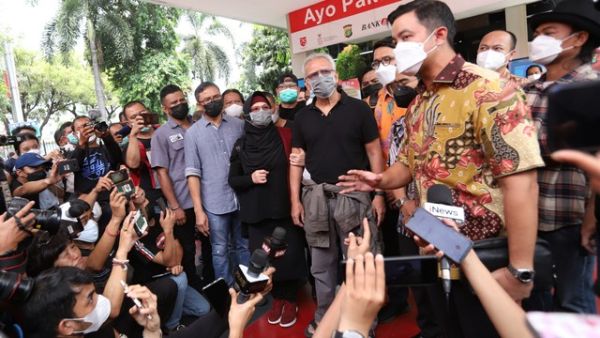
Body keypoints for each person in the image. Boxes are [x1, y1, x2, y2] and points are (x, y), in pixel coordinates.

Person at [337, 1, 544, 337]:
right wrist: (380, 179)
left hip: (487, 258)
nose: (397, 48)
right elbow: (410, 162)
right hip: (436, 250)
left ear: (439, 34)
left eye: (405, 36)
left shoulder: (488, 89)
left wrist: (519, 270)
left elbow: (521, 183)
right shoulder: (419, 101)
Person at [289, 52, 385, 337]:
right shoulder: (302, 117)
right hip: (316, 200)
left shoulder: (358, 110)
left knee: (360, 261)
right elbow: (297, 159)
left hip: (354, 197)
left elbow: (373, 152)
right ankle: (326, 319)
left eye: (324, 72)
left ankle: (362, 322)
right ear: (305, 83)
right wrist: (295, 200)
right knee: (321, 265)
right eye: (312, 76)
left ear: (336, 75)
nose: (319, 79)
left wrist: (379, 193)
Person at [523, 0, 600, 314]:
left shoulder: (590, 93)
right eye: (538, 32)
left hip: (570, 217)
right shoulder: (525, 91)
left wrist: (591, 221)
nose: (539, 39)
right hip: (526, 218)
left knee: (573, 302)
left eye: (549, 32)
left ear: (579, 39)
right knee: (534, 301)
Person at [229, 91, 307, 328]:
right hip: (256, 212)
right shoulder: (241, 144)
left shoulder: (286, 135)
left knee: (290, 256)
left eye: (265, 106)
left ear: (273, 109)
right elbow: (233, 180)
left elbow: (299, 166)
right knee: (265, 258)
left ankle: (291, 299)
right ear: (248, 114)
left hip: (284, 207)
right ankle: (277, 298)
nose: (260, 111)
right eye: (254, 108)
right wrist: (251, 178)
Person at [185, 81, 250, 286]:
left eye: (215, 97)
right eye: (207, 100)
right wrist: (198, 211)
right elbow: (193, 173)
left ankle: (249, 286)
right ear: (199, 104)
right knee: (219, 250)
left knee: (243, 246)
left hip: (242, 197)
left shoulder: (239, 125)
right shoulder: (193, 134)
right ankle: (227, 292)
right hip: (214, 203)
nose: (212, 102)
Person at [151, 84, 213, 290]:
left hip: (208, 196)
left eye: (181, 100)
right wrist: (175, 206)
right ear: (165, 109)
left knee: (211, 245)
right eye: (173, 103)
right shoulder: (161, 135)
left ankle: (212, 282)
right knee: (187, 249)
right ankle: (196, 289)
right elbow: (162, 172)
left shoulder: (199, 124)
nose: (179, 105)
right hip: (183, 202)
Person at [69, 114, 123, 230]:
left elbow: (118, 157)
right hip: (89, 202)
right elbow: (73, 165)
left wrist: (106, 136)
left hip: (111, 199)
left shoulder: (106, 148)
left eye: (89, 126)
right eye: (81, 128)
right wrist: (82, 144)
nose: (87, 130)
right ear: (74, 134)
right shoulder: (74, 153)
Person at [122, 100, 164, 215]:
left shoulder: (164, 132)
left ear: (148, 112)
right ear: (128, 123)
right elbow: (133, 164)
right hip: (150, 195)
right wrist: (133, 135)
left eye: (142, 112)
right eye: (134, 117)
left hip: (177, 188)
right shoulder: (129, 142)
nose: (139, 118)